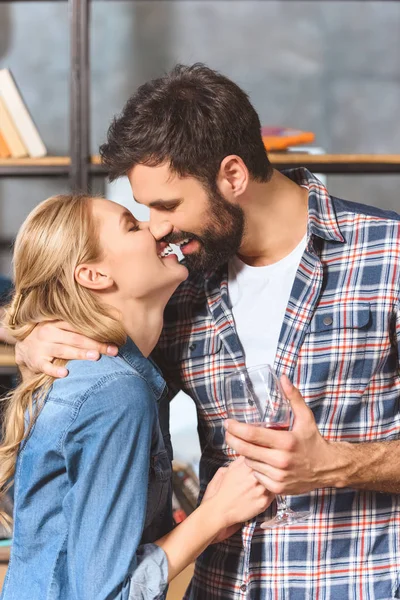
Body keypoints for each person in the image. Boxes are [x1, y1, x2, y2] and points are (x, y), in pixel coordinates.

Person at [12, 64, 400, 599]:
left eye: (166, 206)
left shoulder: (390, 254)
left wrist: (339, 464)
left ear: (233, 175)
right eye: (143, 211)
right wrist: (33, 340)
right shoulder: (179, 283)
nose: (156, 227)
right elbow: (101, 392)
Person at [0, 193, 272, 600]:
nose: (157, 228)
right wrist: (214, 516)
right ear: (93, 275)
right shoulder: (115, 392)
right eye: (132, 225)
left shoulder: (108, 378)